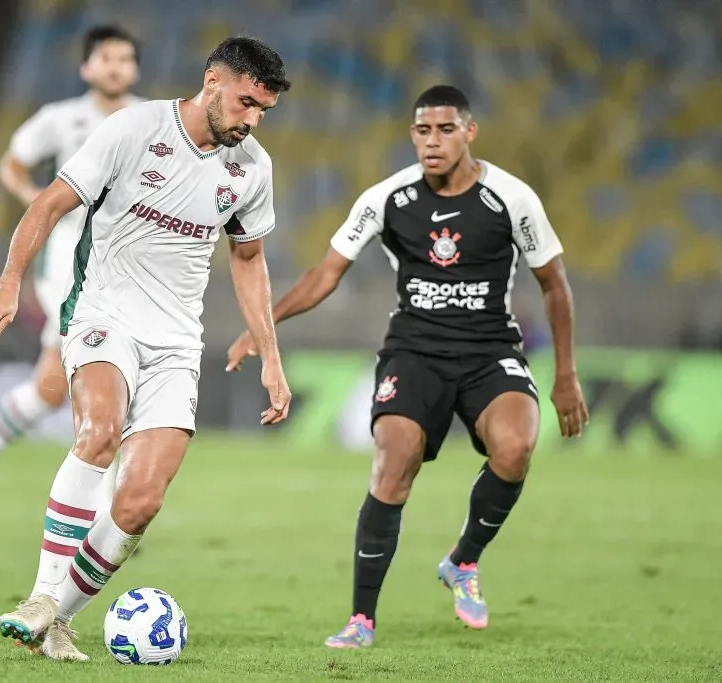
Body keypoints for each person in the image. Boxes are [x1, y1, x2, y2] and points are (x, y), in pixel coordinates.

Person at [227, 85, 589, 647]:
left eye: (445, 129)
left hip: (490, 350)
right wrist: (264, 326)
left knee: (516, 448)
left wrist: (566, 375)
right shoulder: (387, 199)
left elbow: (555, 285)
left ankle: (463, 560)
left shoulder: (512, 198)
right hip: (414, 351)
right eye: (422, 131)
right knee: (393, 466)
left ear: (470, 132)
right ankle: (361, 620)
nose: (432, 141)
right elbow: (326, 273)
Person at [0, 36, 292, 662]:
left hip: (176, 343)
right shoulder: (135, 129)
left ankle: (57, 620)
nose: (253, 120)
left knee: (141, 500)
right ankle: (41, 596)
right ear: (213, 82)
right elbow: (49, 203)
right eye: (247, 103)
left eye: (264, 111)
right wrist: (8, 284)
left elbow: (248, 259)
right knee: (100, 431)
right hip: (102, 314)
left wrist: (271, 356)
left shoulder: (252, 167)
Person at [0, 24, 143, 527]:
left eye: (124, 59)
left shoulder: (149, 120)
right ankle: (100, 513)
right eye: (106, 58)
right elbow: (12, 164)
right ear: (87, 67)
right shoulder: (60, 118)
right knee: (98, 372)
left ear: (135, 69)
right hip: (69, 262)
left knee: (51, 388)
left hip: (126, 262)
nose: (115, 67)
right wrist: (39, 200)